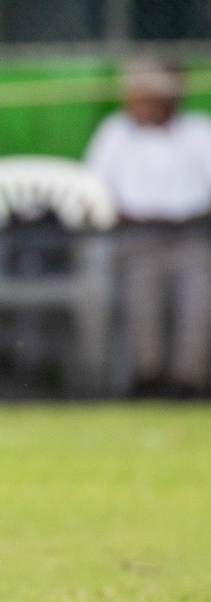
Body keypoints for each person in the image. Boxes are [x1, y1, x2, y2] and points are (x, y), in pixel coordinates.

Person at [85, 56, 211, 396]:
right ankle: (148, 378)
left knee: (200, 290)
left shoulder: (198, 131)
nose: (139, 101)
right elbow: (93, 191)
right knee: (140, 290)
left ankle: (189, 381)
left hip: (191, 234)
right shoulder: (115, 133)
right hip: (135, 234)